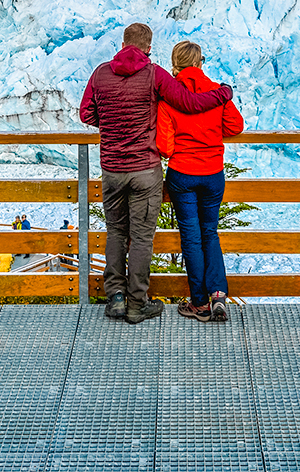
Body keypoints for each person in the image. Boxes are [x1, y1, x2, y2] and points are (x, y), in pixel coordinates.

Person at [79, 22, 232, 324]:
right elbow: (189, 102)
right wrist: (222, 94)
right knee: (141, 238)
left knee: (116, 232)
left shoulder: (100, 74)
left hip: (111, 169)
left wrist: (112, 126)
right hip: (145, 170)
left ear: (123, 45)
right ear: (148, 48)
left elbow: (86, 113)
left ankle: (117, 299)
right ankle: (138, 303)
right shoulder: (154, 74)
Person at [158, 41, 243, 322]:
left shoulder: (170, 96)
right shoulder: (217, 93)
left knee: (191, 238)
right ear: (201, 62)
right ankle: (219, 294)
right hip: (212, 174)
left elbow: (165, 146)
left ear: (176, 64)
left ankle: (198, 302)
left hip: (182, 175)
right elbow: (235, 126)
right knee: (210, 233)